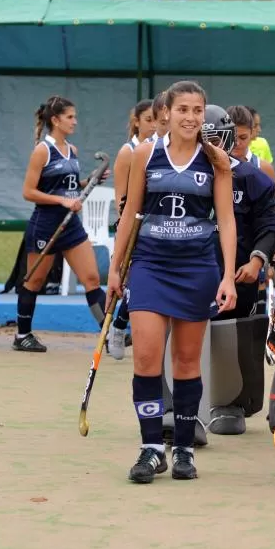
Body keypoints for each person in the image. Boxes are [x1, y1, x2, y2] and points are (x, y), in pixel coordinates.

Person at [108, 80, 238, 484]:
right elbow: (130, 213)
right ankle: (150, 449)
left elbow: (226, 221)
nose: (191, 117)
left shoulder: (216, 162)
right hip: (150, 266)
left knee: (185, 361)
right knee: (146, 358)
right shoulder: (145, 155)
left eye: (198, 110)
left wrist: (228, 275)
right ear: (166, 113)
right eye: (183, 109)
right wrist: (116, 266)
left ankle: (182, 448)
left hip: (197, 269)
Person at [193, 104, 275, 436]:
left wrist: (258, 259)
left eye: (216, 138)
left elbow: (274, 225)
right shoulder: (173, 174)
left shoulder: (251, 178)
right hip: (183, 271)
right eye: (202, 139)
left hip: (235, 276)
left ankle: (228, 401)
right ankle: (178, 404)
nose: (209, 147)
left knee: (229, 335)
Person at [14, 96, 108, 353]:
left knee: (90, 278)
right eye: (70, 117)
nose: (74, 121)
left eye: (74, 116)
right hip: (46, 223)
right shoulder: (42, 151)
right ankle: (22, 335)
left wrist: (90, 180)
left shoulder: (72, 150)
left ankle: (109, 336)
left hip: (71, 226)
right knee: (34, 281)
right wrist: (61, 201)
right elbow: (29, 191)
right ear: (55, 120)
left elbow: (68, 186)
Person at [106, 98, 156, 360]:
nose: (153, 125)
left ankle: (121, 324)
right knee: (132, 279)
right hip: (134, 223)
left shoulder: (162, 149)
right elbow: (121, 198)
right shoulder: (129, 151)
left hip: (158, 224)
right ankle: (117, 326)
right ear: (137, 122)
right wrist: (131, 220)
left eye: (156, 120)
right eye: (147, 120)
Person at [230, 107, 275, 181]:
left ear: (251, 133)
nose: (237, 143)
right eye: (232, 137)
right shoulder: (211, 165)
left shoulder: (264, 168)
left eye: (243, 137)